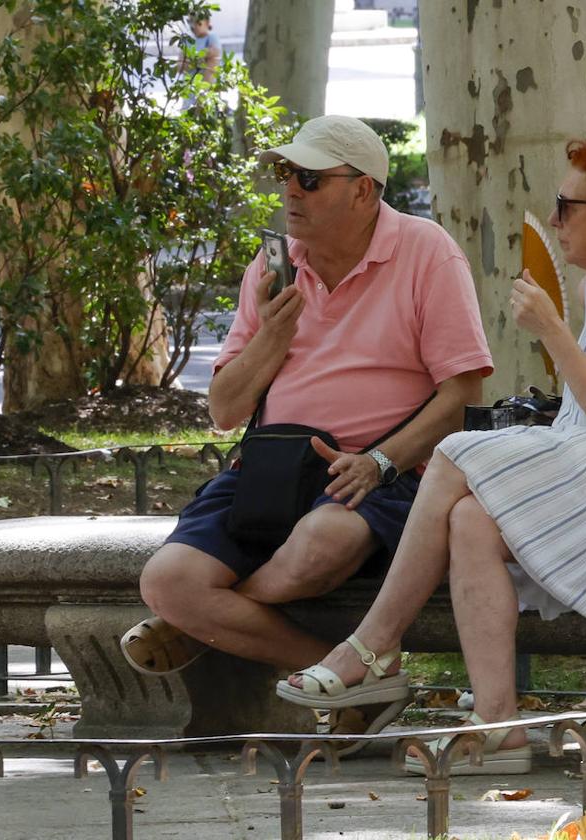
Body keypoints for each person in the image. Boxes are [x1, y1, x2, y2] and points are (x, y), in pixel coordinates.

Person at [278, 139, 586, 775]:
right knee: (469, 520)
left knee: (458, 450)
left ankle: (375, 644)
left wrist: (550, 330)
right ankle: (499, 729)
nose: (554, 220)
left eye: (567, 206)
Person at [123, 115, 493, 748]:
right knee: (167, 583)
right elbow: (224, 410)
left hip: (378, 470)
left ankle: (196, 625)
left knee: (319, 544)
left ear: (364, 189)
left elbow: (462, 395)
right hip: (268, 468)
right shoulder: (272, 268)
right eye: (285, 174)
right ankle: (353, 670)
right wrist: (273, 333)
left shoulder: (426, 251)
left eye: (311, 178)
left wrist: (379, 461)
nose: (291, 190)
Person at [182, 14, 221, 84]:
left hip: (205, 81)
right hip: (190, 82)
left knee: (213, 60)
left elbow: (215, 53)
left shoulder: (211, 37)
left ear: (207, 23)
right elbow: (180, 66)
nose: (193, 26)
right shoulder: (187, 40)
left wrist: (193, 59)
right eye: (190, 22)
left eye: (198, 22)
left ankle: (204, 89)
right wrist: (199, 60)